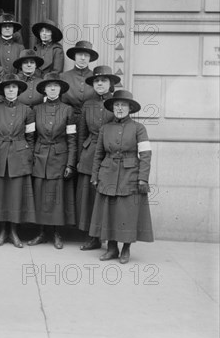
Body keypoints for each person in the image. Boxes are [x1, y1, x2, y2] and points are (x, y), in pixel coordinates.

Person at [90, 90, 153, 263]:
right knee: (109, 211)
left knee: (127, 213)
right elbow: (98, 154)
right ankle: (111, 249)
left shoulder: (139, 128)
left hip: (130, 174)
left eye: (123, 105)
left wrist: (143, 178)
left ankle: (126, 248)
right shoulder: (105, 128)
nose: (119, 108)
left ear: (130, 108)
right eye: (116, 105)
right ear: (112, 108)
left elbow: (146, 155)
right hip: (108, 173)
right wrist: (95, 175)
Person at [26, 72, 77, 249]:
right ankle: (41, 233)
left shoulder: (68, 110)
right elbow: (30, 137)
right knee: (40, 195)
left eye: (56, 86)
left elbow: (72, 139)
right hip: (40, 157)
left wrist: (70, 163)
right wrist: (31, 157)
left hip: (59, 157)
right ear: (44, 90)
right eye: (49, 86)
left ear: (61, 89)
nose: (53, 89)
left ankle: (56, 233)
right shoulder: (36, 110)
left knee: (56, 197)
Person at [76, 66, 120, 251]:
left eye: (103, 81)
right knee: (89, 198)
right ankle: (92, 237)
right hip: (89, 154)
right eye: (96, 81)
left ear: (110, 84)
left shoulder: (118, 103)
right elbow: (81, 134)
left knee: (108, 197)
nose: (100, 84)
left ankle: (109, 238)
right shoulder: (87, 104)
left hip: (110, 156)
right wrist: (79, 157)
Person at [0, 74, 36, 248]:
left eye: (14, 87)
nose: (11, 90)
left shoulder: (27, 110)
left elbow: (31, 137)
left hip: (20, 156)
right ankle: (2, 231)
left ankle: (14, 232)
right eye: (7, 87)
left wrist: (28, 156)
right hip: (1, 154)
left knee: (16, 196)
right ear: (3, 90)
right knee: (1, 196)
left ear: (18, 90)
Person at [60, 40, 99, 117]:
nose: (83, 58)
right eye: (80, 54)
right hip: (68, 119)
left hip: (91, 119)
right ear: (75, 56)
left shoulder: (96, 78)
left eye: (86, 55)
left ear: (90, 58)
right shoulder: (63, 77)